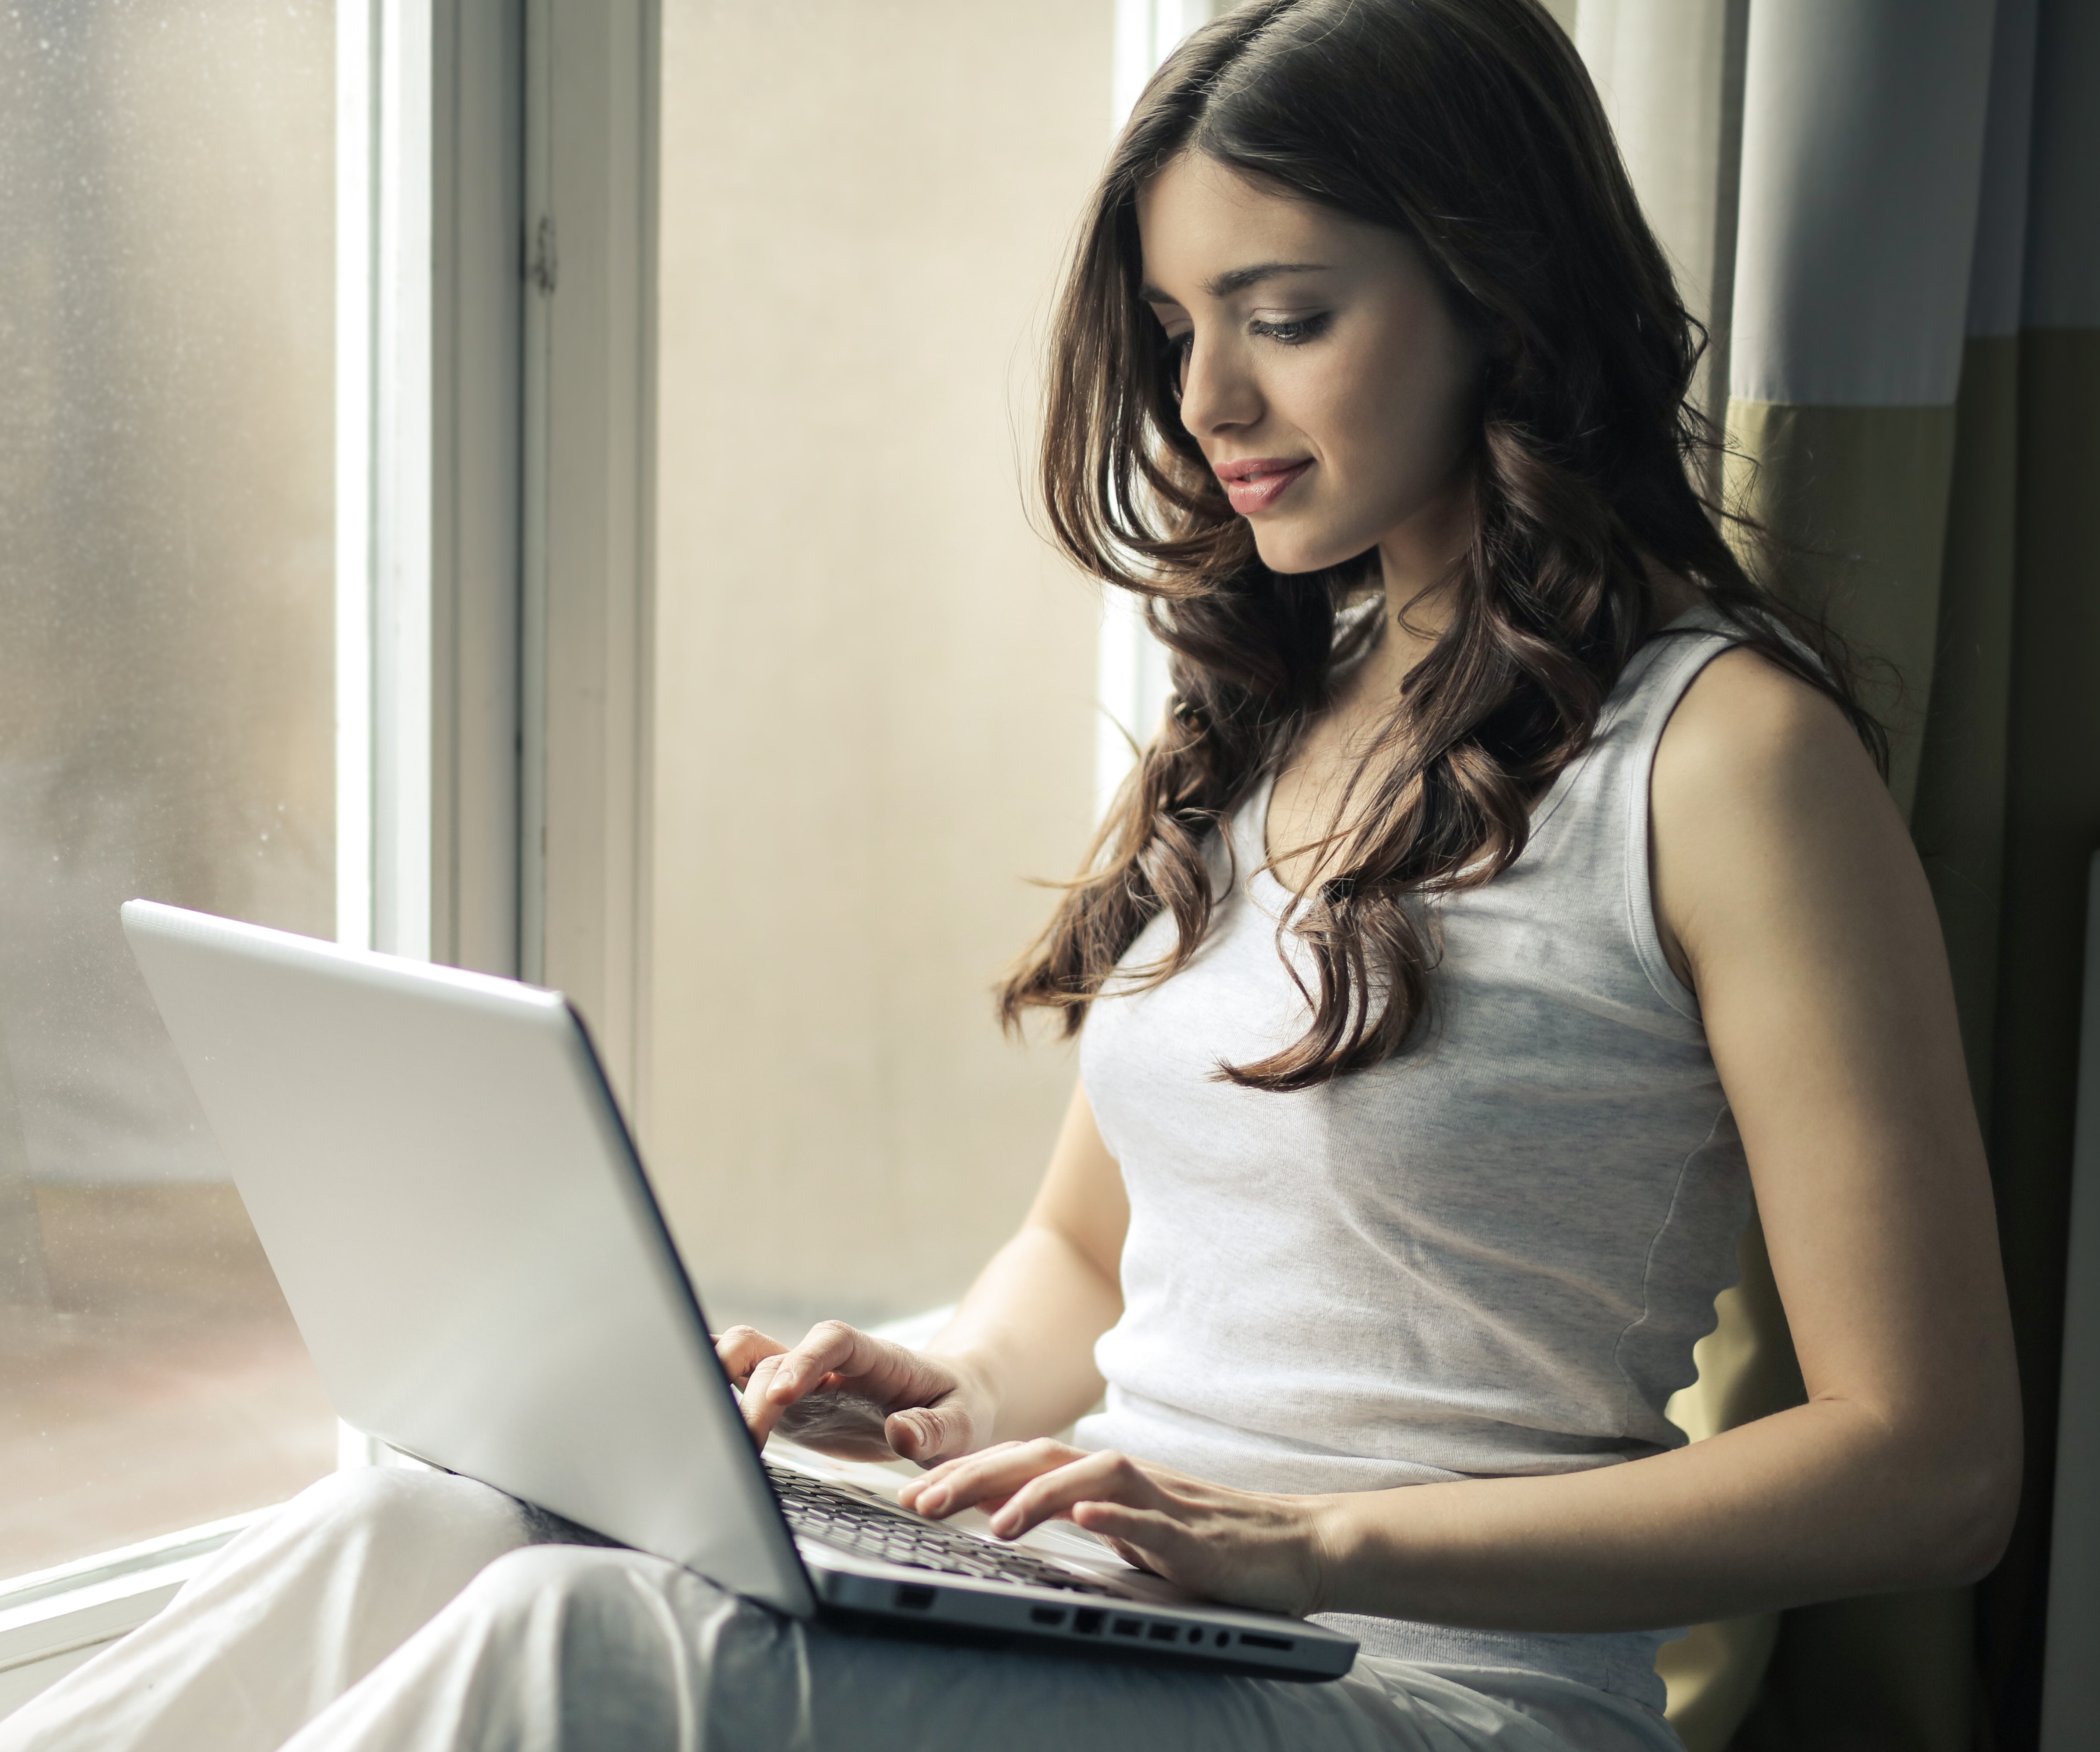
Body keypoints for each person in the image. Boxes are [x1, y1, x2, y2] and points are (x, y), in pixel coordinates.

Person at [0, 2, 2020, 1748]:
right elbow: (1080, 1264)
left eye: (1287, 318)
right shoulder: (1267, 718)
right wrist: (949, 1394)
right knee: (421, 1518)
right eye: (1176, 327)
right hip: (1150, 1610)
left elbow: (1931, 1468)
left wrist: (1306, 1538)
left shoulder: (1736, 757)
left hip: (1429, 1682)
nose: (1210, 403)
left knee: (577, 1643)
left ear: (1504, 291)